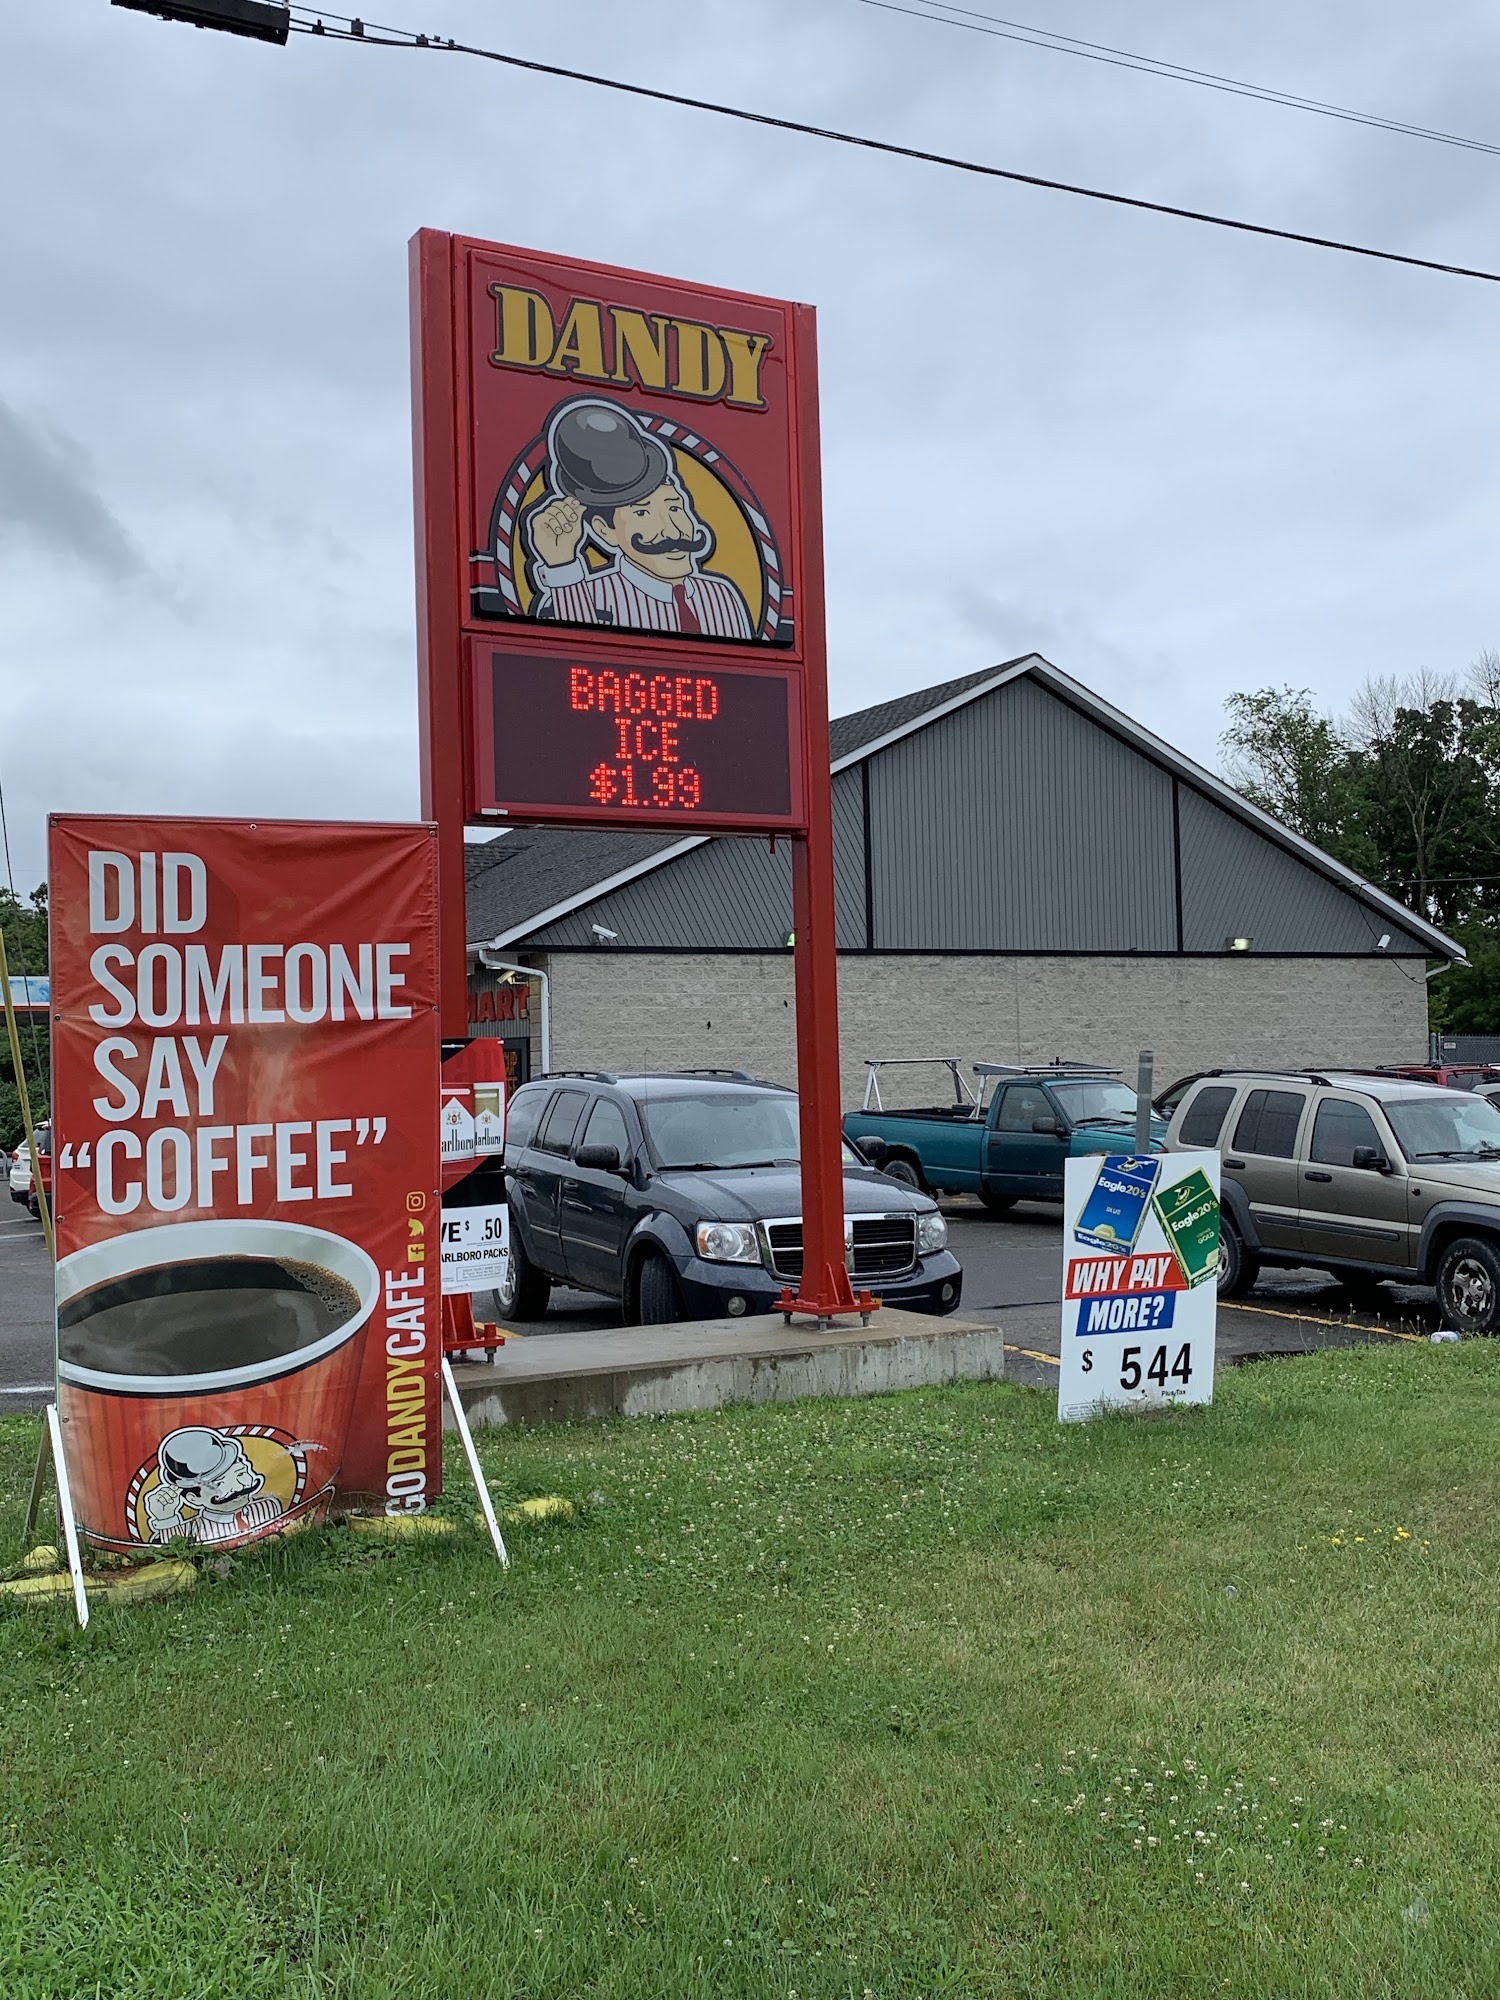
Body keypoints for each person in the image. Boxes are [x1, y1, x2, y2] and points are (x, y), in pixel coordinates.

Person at [524, 397, 754, 639]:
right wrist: (562, 565)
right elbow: (565, 654)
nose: (673, 531)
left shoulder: (722, 596)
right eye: (642, 513)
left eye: (675, 508)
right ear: (604, 530)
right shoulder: (581, 595)